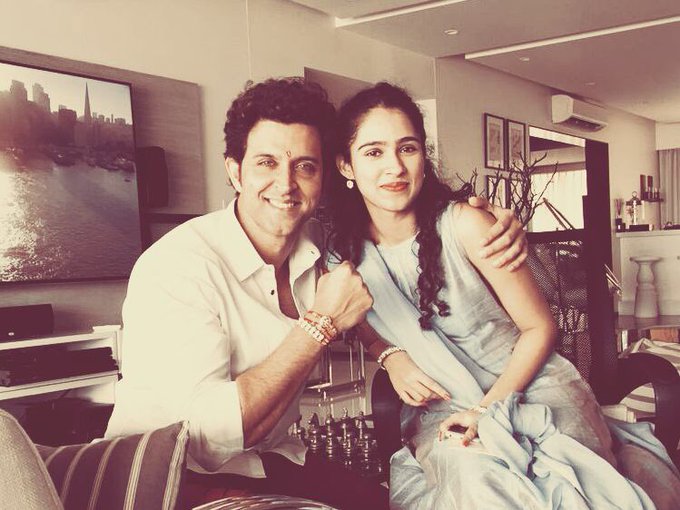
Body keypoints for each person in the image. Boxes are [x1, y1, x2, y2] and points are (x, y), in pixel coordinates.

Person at [104, 77, 527, 510]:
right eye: (266, 163)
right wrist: (319, 324)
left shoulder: (320, 247)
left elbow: (397, 227)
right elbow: (208, 438)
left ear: (325, 176)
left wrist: (485, 221)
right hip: (166, 478)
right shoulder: (178, 266)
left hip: (270, 458)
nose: (286, 185)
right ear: (235, 170)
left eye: (304, 166)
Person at [326, 82, 680, 509]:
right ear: (345, 165)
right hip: (445, 406)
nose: (395, 167)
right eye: (373, 152)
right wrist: (389, 356)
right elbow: (361, 323)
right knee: (473, 479)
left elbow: (540, 328)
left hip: (536, 392)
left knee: (562, 491)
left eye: (408, 148)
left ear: (423, 156)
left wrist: (485, 412)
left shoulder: (467, 225)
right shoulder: (341, 256)